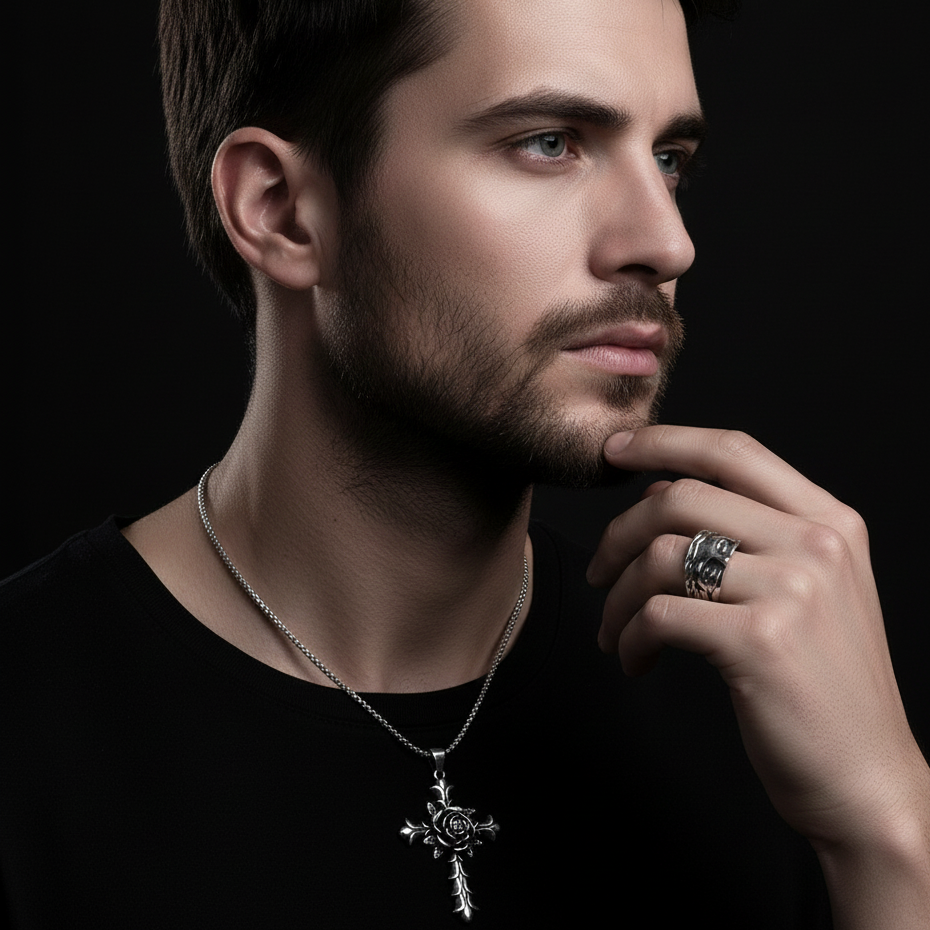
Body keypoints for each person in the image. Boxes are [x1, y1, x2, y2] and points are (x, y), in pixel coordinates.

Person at [2, 1, 928, 927]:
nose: (666, 243)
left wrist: (891, 833)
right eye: (549, 143)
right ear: (281, 210)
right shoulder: (33, 728)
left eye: (669, 159)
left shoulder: (767, 699)